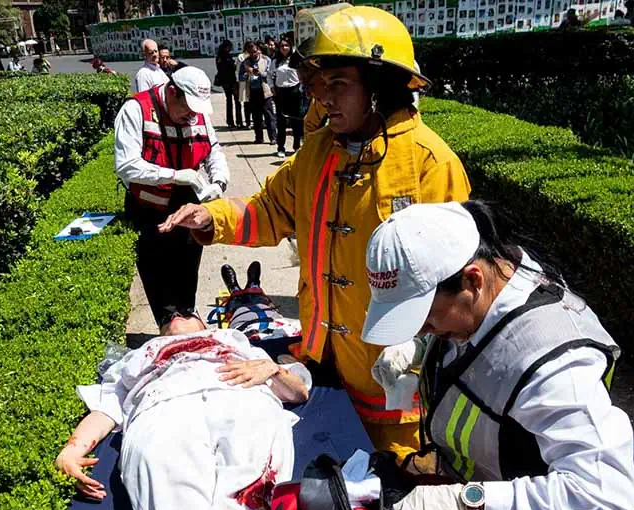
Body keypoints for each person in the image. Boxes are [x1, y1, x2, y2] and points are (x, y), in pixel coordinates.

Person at [159, 4, 470, 464]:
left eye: (338, 84)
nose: (321, 96)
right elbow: (270, 209)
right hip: (321, 365)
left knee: (393, 502)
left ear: (380, 86)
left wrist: (416, 353)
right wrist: (212, 218)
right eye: (319, 82)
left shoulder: (430, 163)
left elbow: (458, 283)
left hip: (397, 393)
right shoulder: (320, 150)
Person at [362, 201, 634, 510]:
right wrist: (418, 348)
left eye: (425, 320)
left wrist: (466, 502)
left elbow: (606, 499)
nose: (421, 329)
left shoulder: (556, 365)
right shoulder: (496, 274)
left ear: (473, 280)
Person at [55, 315, 311, 510]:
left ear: (205, 325)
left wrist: (274, 369)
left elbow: (298, 392)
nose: (176, 315)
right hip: (162, 408)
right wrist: (72, 449)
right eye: (167, 317)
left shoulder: (235, 341)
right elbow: (106, 410)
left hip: (243, 399)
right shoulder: (138, 356)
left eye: (187, 312)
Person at [114, 66, 230, 332]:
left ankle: (187, 313)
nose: (192, 117)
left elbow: (214, 151)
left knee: (189, 264)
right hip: (149, 206)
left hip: (188, 201)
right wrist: (177, 175)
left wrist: (219, 182)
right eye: (187, 109)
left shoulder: (195, 114)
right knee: (158, 271)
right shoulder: (136, 109)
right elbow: (127, 165)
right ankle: (168, 323)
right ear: (172, 92)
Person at [269, 37, 303, 158]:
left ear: (291, 47)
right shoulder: (275, 61)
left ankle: (296, 146)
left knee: (296, 121)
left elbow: (302, 74)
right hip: (281, 92)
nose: (284, 48)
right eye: (282, 46)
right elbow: (270, 75)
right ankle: (281, 147)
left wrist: (301, 88)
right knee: (281, 122)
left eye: (286, 45)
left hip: (294, 91)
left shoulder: (296, 60)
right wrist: (272, 87)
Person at [239, 41, 277, 145]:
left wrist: (260, 72)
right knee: (256, 117)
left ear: (259, 50)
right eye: (250, 52)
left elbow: (270, 74)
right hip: (253, 92)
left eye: (255, 52)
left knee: (269, 116)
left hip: (265, 91)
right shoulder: (245, 63)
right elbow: (240, 77)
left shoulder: (266, 60)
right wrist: (248, 73)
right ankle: (259, 137)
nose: (253, 54)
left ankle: (273, 137)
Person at [215, 40, 242, 128]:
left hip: (224, 81)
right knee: (237, 101)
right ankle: (238, 121)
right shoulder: (226, 57)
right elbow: (232, 67)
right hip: (231, 80)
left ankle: (230, 121)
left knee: (229, 101)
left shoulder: (219, 57)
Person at [237, 41, 253, 130]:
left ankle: (249, 121)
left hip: (248, 81)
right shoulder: (242, 56)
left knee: (249, 103)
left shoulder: (251, 56)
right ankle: (248, 121)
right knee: (246, 103)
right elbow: (238, 69)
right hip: (244, 81)